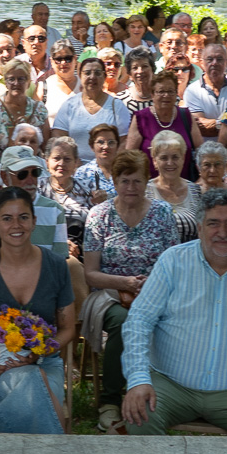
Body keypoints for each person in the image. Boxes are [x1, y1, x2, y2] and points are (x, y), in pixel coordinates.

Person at [118, 189, 227, 436]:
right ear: (200, 228)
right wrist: (139, 379)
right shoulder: (173, 261)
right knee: (140, 417)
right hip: (171, 385)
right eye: (213, 223)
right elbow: (139, 321)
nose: (222, 232)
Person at [0, 187, 78, 434]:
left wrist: (41, 351)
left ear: (34, 221)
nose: (16, 225)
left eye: (23, 217)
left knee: (33, 379)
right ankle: (55, 449)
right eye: (7, 218)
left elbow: (67, 329)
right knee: (39, 394)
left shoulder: (56, 266)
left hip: (44, 362)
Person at [83, 149, 183, 426]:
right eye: (124, 181)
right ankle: (110, 401)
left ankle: (169, 395)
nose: (131, 187)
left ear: (146, 181)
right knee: (124, 322)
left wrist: (151, 285)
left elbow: (174, 265)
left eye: (137, 181)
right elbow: (90, 274)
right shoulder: (99, 215)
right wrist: (125, 283)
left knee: (176, 319)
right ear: (114, 182)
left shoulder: (162, 213)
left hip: (156, 293)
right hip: (110, 296)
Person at [184, 43, 227, 145]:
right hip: (202, 150)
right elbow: (199, 127)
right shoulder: (192, 91)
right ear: (202, 63)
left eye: (219, 59)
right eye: (210, 59)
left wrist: (215, 123)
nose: (214, 63)